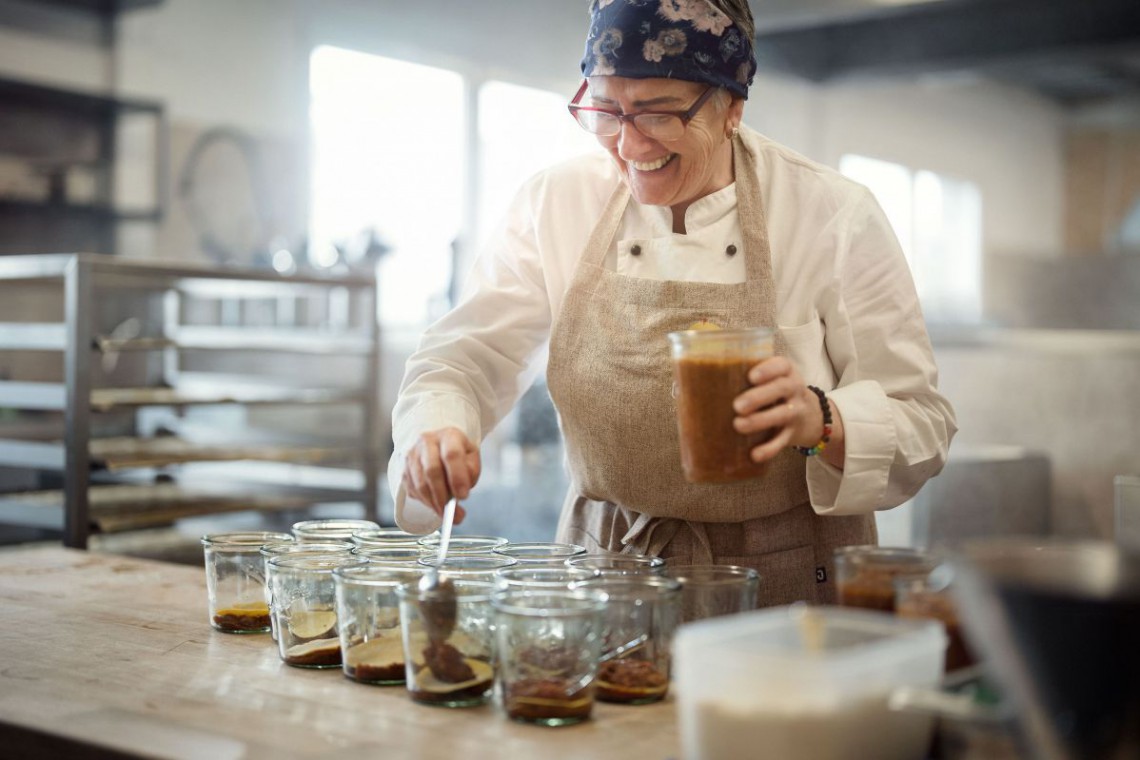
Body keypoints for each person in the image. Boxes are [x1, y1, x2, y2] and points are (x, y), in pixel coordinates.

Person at [387, 0, 956, 606]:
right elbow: (465, 356)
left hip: (787, 582)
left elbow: (922, 420)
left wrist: (820, 419)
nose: (629, 145)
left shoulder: (831, 212)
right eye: (606, 110)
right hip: (604, 572)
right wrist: (436, 429)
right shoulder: (557, 201)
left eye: (658, 114)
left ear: (732, 106)